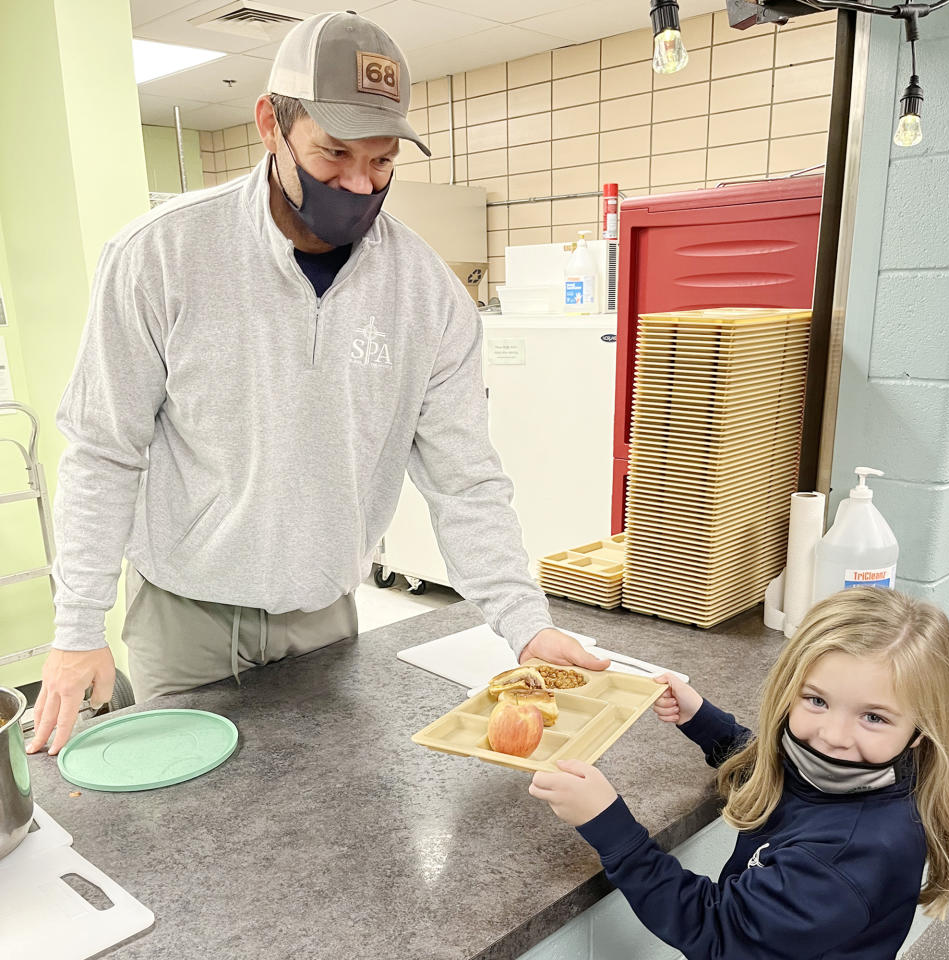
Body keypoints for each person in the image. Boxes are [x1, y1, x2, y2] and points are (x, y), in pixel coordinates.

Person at [27, 11, 607, 757]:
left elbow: (464, 481)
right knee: (192, 850)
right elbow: (105, 451)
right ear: (271, 123)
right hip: (184, 617)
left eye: (383, 162)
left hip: (324, 615)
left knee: (335, 831)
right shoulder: (161, 257)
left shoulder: (425, 294)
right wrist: (78, 628)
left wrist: (525, 622)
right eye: (333, 154)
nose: (359, 185)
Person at [529, 588, 949, 959]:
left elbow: (719, 933)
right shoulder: (857, 769)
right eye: (817, 701)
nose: (833, 736)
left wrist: (610, 826)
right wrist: (703, 721)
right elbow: (786, 774)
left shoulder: (849, 856)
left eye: (873, 717)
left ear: (922, 731)